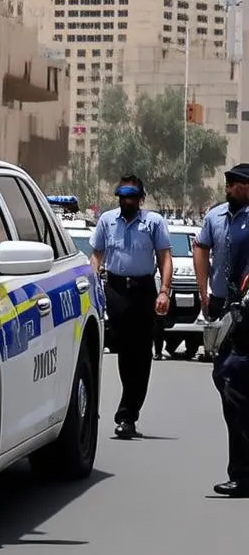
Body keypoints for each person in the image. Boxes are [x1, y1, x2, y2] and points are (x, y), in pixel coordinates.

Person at [89, 174, 173, 439]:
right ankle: (127, 408)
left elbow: (164, 257)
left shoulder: (153, 222)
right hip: (115, 290)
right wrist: (94, 286)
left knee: (141, 352)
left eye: (133, 197)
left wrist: (163, 292)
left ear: (141, 199)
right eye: (124, 196)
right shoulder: (106, 221)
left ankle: (128, 413)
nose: (128, 201)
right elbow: (97, 255)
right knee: (124, 350)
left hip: (144, 290)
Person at [192, 163, 249, 496]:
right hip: (223, 307)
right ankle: (241, 470)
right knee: (227, 382)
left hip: (246, 311)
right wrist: (203, 291)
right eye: (228, 183)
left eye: (235, 184)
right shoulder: (217, 217)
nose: (228, 188)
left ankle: (242, 473)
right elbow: (201, 246)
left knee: (233, 379)